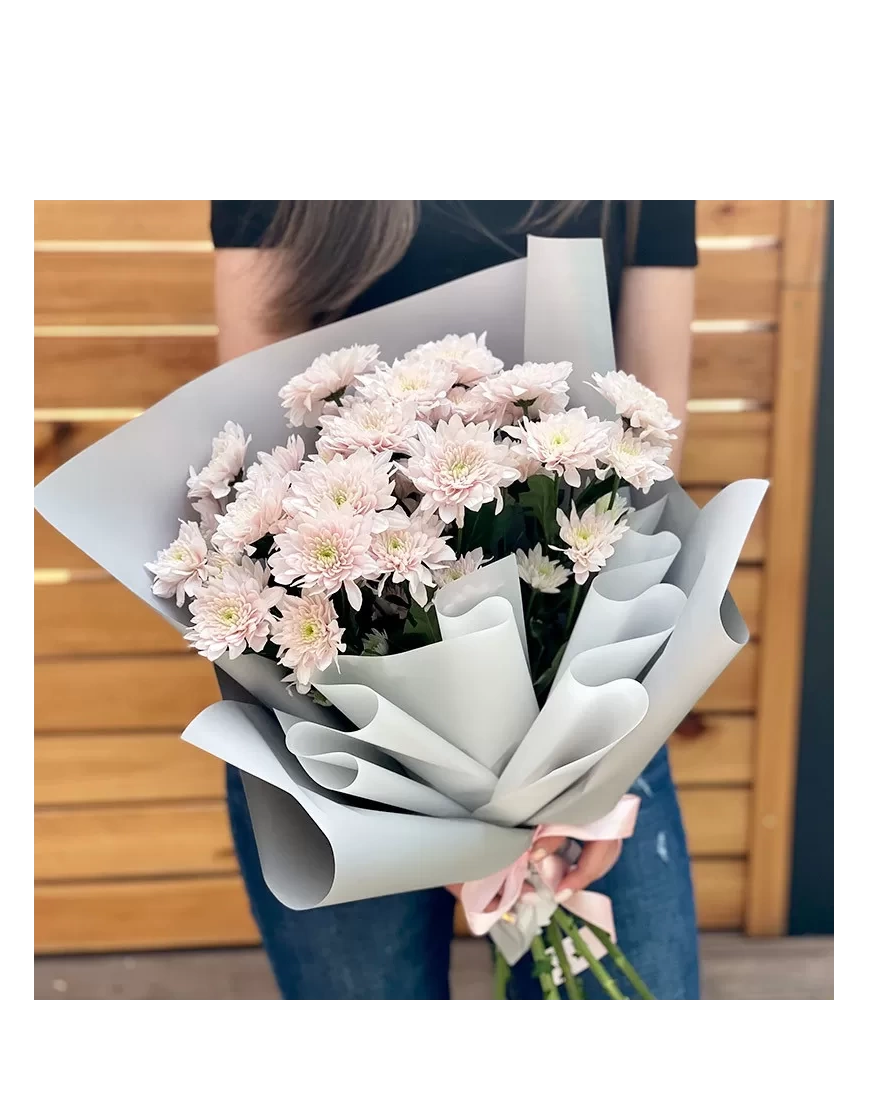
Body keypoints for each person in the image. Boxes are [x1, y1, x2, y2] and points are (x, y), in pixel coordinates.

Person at [210, 200, 700, 1000]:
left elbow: (653, 440)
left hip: (583, 682)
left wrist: (558, 778)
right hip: (335, 713)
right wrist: (436, 796)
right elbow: (264, 433)